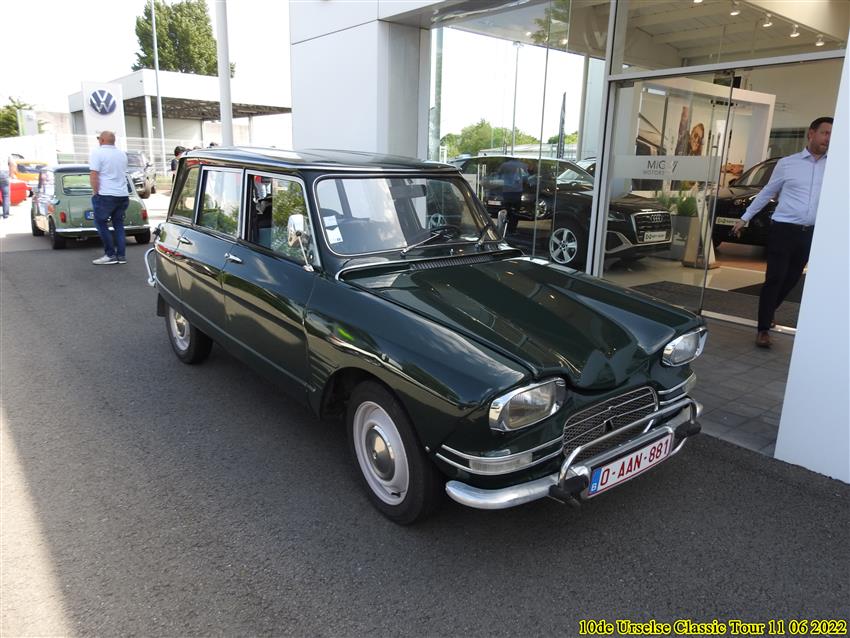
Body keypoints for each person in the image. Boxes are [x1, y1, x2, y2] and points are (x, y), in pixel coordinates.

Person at [731, 116, 832, 347]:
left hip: (811, 233)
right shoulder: (787, 163)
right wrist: (745, 218)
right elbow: (767, 192)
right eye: (825, 133)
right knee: (775, 277)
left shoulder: (835, 166)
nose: (829, 138)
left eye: (832, 135)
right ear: (811, 133)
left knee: (792, 278)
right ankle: (763, 329)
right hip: (783, 229)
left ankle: (768, 311)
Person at [89, 131, 130, 265]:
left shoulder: (97, 153)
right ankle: (121, 256)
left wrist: (95, 193)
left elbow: (94, 175)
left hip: (106, 194)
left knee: (100, 223)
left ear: (101, 140)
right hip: (122, 194)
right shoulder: (121, 154)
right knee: (118, 224)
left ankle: (110, 254)